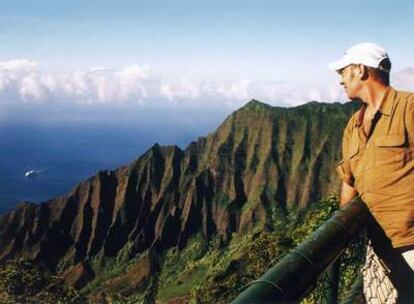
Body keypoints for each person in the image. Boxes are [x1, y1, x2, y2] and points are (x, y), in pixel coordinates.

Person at [329, 42, 414, 302]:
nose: (341, 80)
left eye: (344, 72)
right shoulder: (352, 126)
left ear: (361, 71)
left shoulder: (409, 109)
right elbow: (349, 182)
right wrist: (340, 231)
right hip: (378, 249)